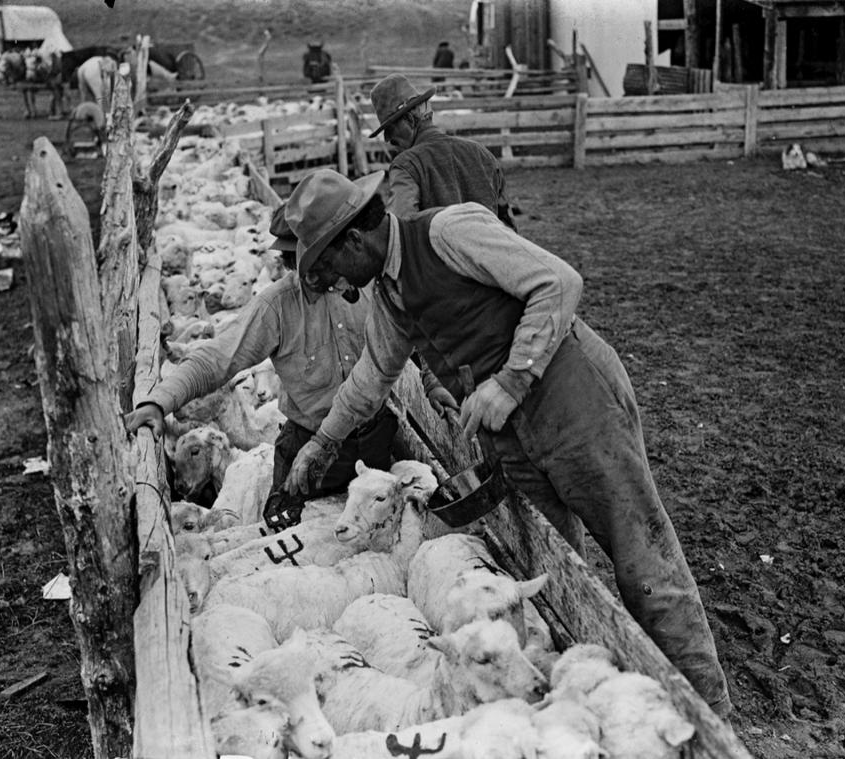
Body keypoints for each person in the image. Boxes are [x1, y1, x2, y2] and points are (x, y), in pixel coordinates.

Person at [281, 169, 733, 718]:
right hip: (510, 435)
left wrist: (512, 379)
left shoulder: (450, 232)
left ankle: (711, 719)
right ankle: (601, 700)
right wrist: (323, 444)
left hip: (571, 399)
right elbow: (374, 373)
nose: (330, 282)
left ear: (353, 239)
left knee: (642, 557)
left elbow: (557, 282)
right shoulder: (390, 292)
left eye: (327, 267)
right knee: (557, 568)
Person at [124, 178, 430, 530]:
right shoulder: (277, 305)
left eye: (319, 264)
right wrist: (159, 402)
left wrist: (432, 378)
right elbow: (217, 358)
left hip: (372, 442)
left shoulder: (367, 284)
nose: (312, 276)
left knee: (372, 545)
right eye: (301, 267)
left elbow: (416, 329)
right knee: (289, 542)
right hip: (307, 451)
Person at [368, 73, 517, 230]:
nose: (389, 139)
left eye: (390, 129)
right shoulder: (483, 154)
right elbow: (509, 228)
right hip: (488, 253)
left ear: (410, 120)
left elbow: (399, 229)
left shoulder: (406, 166)